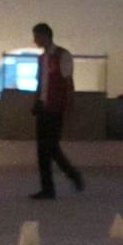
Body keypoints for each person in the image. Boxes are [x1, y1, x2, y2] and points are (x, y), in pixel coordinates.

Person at [29, 22, 84, 199]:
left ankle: (71, 175)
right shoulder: (42, 58)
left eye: (37, 37)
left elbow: (68, 83)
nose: (35, 40)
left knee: (50, 146)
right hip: (43, 106)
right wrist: (36, 101)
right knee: (43, 148)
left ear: (45, 36)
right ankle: (48, 188)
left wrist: (69, 107)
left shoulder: (62, 55)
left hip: (55, 107)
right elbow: (40, 82)